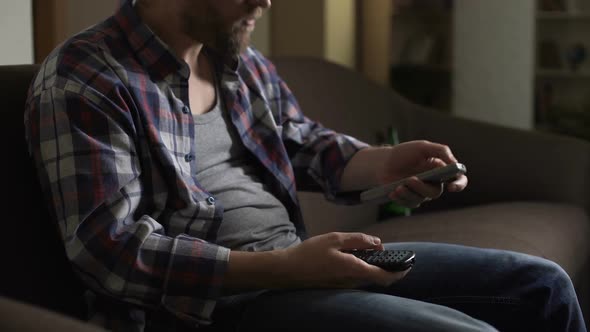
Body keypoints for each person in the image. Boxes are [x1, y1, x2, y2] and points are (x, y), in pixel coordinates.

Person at [24, 0, 586, 331]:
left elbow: (302, 142)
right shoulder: (85, 78)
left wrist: (386, 162)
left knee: (543, 287)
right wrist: (292, 268)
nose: (266, 1)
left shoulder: (236, 60)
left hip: (302, 268)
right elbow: (111, 251)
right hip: (215, 308)